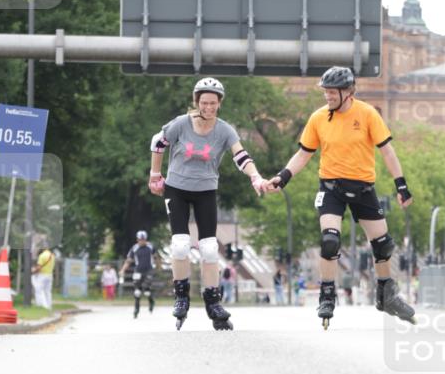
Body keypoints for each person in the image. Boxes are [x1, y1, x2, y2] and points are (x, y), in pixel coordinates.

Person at [264, 65, 415, 326]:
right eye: (325, 92)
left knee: (383, 245)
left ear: (348, 92)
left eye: (332, 92)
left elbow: (387, 151)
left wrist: (401, 185)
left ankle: (386, 293)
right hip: (331, 187)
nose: (327, 97)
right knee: (330, 241)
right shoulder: (318, 118)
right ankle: (327, 294)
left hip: (363, 188)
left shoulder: (367, 114)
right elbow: (304, 153)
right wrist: (283, 176)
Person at [149, 77, 265, 330]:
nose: (209, 108)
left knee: (210, 248)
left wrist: (255, 176)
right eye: (204, 103)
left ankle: (213, 302)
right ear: (196, 102)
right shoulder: (181, 124)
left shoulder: (225, 130)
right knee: (180, 245)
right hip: (176, 188)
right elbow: (158, 143)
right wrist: (155, 175)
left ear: (219, 103)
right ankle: (181, 297)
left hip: (206, 191)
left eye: (213, 103)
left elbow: (241, 156)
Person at [119, 231, 157, 318]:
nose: (141, 241)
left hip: (148, 271)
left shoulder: (150, 247)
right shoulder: (134, 248)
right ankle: (136, 309)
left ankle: (151, 302)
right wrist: (122, 270)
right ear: (137, 240)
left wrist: (158, 266)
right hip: (138, 271)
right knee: (137, 292)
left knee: (147, 291)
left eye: (143, 240)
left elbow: (156, 257)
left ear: (146, 239)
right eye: (140, 240)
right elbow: (128, 260)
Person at [32, 242, 55, 310]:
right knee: (48, 291)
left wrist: (33, 271)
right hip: (50, 275)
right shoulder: (52, 255)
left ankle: (40, 305)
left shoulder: (42, 256)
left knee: (38, 290)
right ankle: (49, 306)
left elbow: (39, 267)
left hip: (42, 275)